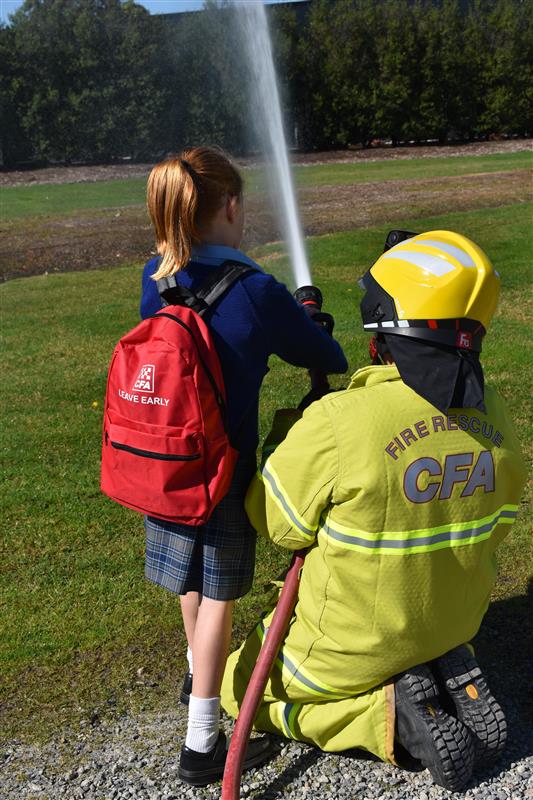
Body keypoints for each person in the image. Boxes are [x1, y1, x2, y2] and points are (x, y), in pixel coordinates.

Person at [221, 230, 527, 792]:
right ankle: (436, 666)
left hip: (354, 643)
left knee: (235, 688)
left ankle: (385, 719)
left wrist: (291, 433)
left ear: (380, 335)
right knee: (423, 634)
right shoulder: (497, 417)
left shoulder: (339, 422)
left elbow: (278, 526)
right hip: (454, 621)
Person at [140, 146, 348, 786]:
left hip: (163, 462)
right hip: (221, 471)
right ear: (230, 207)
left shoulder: (156, 275)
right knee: (222, 597)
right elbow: (326, 355)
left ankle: (195, 678)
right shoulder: (255, 289)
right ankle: (202, 743)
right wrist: (306, 315)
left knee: (192, 584)